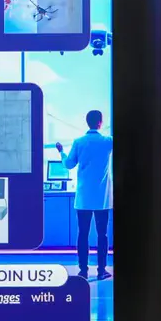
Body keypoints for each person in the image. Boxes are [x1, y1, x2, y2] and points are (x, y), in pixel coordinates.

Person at [56, 110, 113, 280]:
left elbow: (68, 164)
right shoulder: (108, 141)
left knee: (83, 234)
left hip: (83, 198)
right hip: (102, 198)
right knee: (102, 235)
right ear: (100, 122)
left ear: (87, 122)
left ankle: (83, 271)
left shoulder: (79, 142)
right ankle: (101, 271)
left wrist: (61, 152)